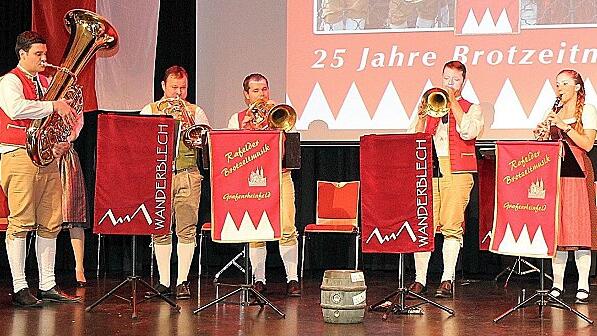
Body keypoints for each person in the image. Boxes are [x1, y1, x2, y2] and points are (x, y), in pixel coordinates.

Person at [0, 31, 81, 307]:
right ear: (22, 54)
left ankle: (47, 283)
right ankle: (20, 286)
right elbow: (15, 109)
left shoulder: (46, 82)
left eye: (45, 54)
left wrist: (61, 142)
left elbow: (59, 119)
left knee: (51, 222)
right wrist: (52, 106)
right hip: (18, 155)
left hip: (45, 158)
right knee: (21, 222)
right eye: (38, 54)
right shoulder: (10, 81)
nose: (44, 59)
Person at [409, 60, 484, 298]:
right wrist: (422, 116)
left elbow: (469, 132)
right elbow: (413, 136)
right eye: (447, 79)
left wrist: (453, 104)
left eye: (456, 80)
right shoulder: (429, 104)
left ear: (463, 82)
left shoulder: (472, 108)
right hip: (429, 168)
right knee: (425, 226)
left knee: (451, 226)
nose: (450, 84)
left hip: (457, 170)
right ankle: (420, 279)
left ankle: (447, 278)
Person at [227, 73, 301, 297]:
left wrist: (273, 123)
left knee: (287, 227)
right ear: (246, 96)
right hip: (251, 181)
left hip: (280, 176)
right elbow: (229, 151)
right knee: (255, 229)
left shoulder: (280, 114)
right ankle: (259, 279)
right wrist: (248, 126)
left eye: (265, 89)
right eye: (256, 91)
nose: (262, 95)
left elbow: (291, 144)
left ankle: (293, 279)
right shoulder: (236, 119)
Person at [141, 65, 209, 300]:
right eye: (174, 88)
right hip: (159, 175)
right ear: (163, 86)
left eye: (183, 88)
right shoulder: (149, 110)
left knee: (186, 229)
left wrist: (189, 124)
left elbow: (205, 143)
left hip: (188, 173)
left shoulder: (195, 111)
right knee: (159, 230)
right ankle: (163, 281)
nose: (178, 93)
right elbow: (141, 145)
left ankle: (182, 282)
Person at [533, 69, 597, 304]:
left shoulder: (587, 110)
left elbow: (588, 144)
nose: (559, 88)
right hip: (556, 175)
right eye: (557, 83)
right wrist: (542, 134)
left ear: (577, 87)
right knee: (557, 231)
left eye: (564, 84)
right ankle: (556, 285)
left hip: (578, 174)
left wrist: (564, 126)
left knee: (580, 230)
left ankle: (582, 285)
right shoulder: (554, 111)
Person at [60, 111, 87, 287]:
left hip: (66, 154)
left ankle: (79, 267)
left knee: (73, 210)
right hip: (42, 154)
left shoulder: (72, 101)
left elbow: (77, 127)